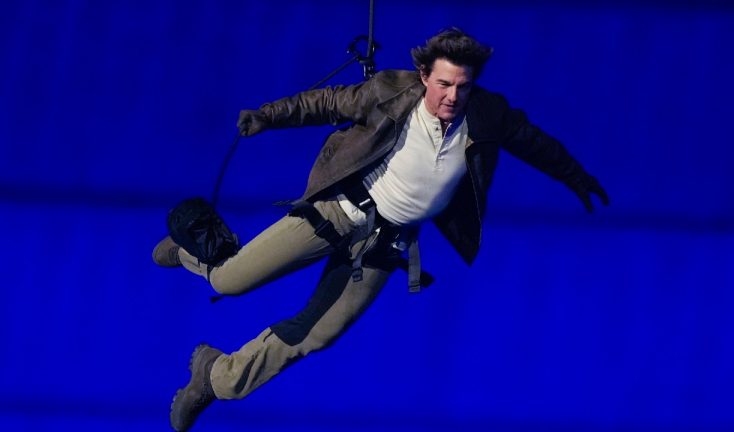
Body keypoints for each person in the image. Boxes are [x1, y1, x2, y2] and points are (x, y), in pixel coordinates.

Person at [153, 27, 609, 431]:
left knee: (321, 332)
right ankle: (187, 254)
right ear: (425, 75)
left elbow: (534, 142)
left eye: (462, 87)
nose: (452, 96)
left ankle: (216, 378)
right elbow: (326, 102)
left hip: (385, 243)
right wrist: (268, 116)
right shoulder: (391, 91)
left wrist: (575, 177)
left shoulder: (486, 114)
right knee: (230, 279)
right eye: (444, 83)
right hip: (336, 214)